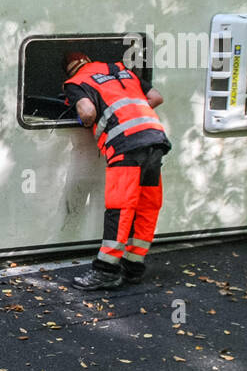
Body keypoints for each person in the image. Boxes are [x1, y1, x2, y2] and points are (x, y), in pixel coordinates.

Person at [63, 51, 170, 290]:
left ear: (69, 68)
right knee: (147, 203)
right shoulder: (122, 70)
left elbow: (87, 112)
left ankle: (107, 271)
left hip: (126, 144)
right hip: (155, 138)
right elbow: (156, 97)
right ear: (89, 61)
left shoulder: (76, 83)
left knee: (120, 207)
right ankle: (133, 266)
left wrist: (91, 122)